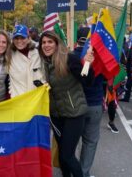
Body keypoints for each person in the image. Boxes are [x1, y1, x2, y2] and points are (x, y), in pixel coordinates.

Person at [39, 30, 94, 177]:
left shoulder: (69, 58)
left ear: (57, 44)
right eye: (43, 42)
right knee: (62, 157)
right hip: (56, 116)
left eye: (50, 42)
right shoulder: (43, 62)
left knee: (66, 155)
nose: (46, 45)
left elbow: (87, 81)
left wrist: (88, 64)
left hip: (74, 113)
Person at [73, 27, 105, 177]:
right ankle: (84, 172)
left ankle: (73, 170)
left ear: (77, 40)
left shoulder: (71, 56)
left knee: (71, 141)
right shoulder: (103, 56)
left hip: (75, 105)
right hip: (94, 103)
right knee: (90, 142)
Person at [8, 24, 45, 97]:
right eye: (16, 38)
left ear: (28, 38)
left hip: (36, 99)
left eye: (22, 38)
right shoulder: (9, 55)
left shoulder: (39, 53)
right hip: (18, 101)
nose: (19, 41)